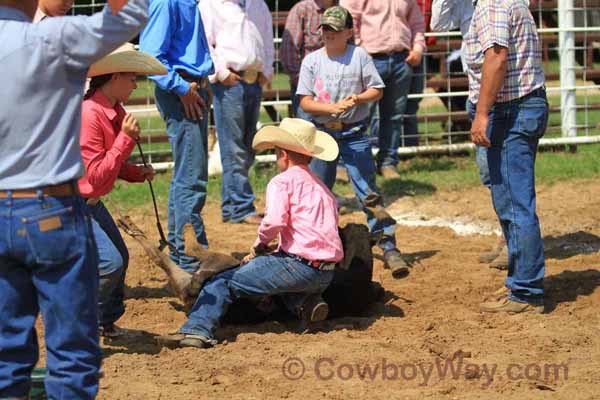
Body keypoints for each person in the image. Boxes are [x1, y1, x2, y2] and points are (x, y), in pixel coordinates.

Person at [0, 0, 148, 398]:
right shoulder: (54, 37)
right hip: (50, 205)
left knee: (6, 351)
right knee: (71, 353)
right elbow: (132, 14)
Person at [160, 118, 343, 348]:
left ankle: (197, 329)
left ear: (283, 155)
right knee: (276, 276)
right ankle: (305, 302)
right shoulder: (323, 189)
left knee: (223, 282)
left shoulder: (282, 182)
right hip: (326, 273)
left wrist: (259, 245)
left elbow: (274, 221)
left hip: (299, 265)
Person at [297, 5, 411, 278]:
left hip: (354, 133)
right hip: (323, 134)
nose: (329, 34)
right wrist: (329, 110)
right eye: (325, 29)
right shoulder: (312, 61)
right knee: (319, 194)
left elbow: (377, 89)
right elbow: (305, 101)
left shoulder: (359, 56)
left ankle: (388, 245)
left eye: (335, 30)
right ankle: (316, 247)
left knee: (368, 193)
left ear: (349, 32)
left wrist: (358, 99)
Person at [464, 0, 547, 313]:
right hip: (523, 106)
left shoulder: (492, 6)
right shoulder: (511, 3)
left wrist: (482, 113)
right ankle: (521, 283)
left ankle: (526, 290)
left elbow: (496, 58)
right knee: (513, 201)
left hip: (511, 110)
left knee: (514, 203)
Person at [79, 44, 166, 337]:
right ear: (114, 77)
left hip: (87, 201)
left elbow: (107, 166)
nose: (135, 83)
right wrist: (125, 141)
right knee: (111, 263)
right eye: (131, 77)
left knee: (119, 259)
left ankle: (103, 322)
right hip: (75, 202)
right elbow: (97, 178)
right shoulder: (91, 114)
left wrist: (135, 173)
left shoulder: (111, 111)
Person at [430, 0, 508, 270]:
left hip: (501, 95)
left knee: (504, 171)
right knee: (489, 174)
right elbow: (437, 24)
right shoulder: (462, 4)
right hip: (477, 95)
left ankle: (512, 241)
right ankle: (507, 235)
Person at [140, 0, 215, 273]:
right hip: (183, 90)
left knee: (187, 175)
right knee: (191, 178)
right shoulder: (167, 2)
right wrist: (182, 88)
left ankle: (181, 250)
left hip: (188, 88)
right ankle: (191, 257)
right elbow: (151, 57)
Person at [198, 0, 274, 225]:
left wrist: (266, 70)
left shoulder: (258, 4)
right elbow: (205, 43)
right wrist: (220, 73)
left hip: (252, 78)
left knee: (247, 144)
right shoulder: (210, 5)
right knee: (234, 146)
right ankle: (241, 205)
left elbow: (267, 38)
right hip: (230, 80)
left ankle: (232, 207)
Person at [341, 0, 426, 179]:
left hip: (401, 59)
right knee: (360, 113)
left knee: (394, 115)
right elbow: (350, 17)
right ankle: (350, 162)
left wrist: (418, 48)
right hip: (370, 57)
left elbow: (417, 23)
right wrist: (359, 49)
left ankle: (388, 162)